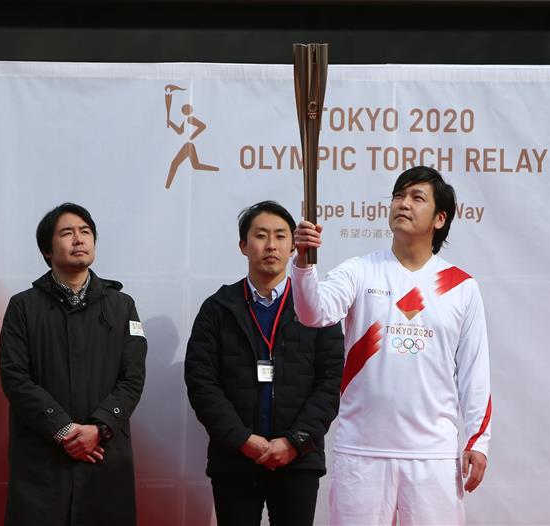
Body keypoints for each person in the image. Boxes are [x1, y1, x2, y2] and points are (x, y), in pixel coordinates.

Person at [293, 166, 492, 525]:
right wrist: (304, 265)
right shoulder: (360, 271)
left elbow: (475, 372)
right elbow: (313, 313)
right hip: (362, 450)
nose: (403, 204)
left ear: (439, 218)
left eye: (417, 198)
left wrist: (478, 440)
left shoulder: (461, 287)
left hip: (432, 455)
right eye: (399, 196)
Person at [184, 201, 344, 526]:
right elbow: (202, 383)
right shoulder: (218, 309)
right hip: (235, 460)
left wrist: (294, 442)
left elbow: (330, 383)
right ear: (243, 245)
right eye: (260, 236)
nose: (271, 245)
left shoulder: (319, 306)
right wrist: (242, 438)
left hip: (298, 459)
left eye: (281, 236)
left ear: (293, 246)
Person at [0, 202, 147, 526]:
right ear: (47, 250)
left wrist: (99, 427)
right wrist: (64, 430)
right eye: (67, 233)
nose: (79, 239)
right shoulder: (23, 307)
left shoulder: (122, 306)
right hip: (43, 461)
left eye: (86, 232)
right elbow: (15, 378)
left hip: (104, 455)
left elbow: (132, 378)